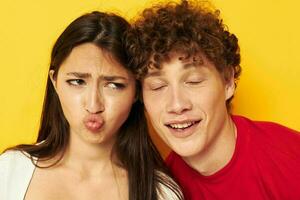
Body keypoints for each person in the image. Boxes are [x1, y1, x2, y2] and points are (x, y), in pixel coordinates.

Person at [125, 0, 300, 199]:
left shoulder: (291, 160)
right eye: (158, 86)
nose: (177, 105)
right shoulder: (164, 191)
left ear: (227, 82)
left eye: (193, 81)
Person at [0, 11, 183, 200]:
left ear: (136, 92)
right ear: (55, 82)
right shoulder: (8, 171)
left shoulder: (161, 192)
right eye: (78, 82)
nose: (94, 105)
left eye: (114, 85)